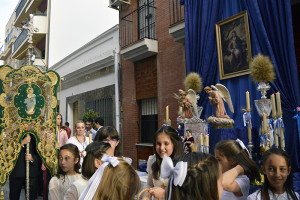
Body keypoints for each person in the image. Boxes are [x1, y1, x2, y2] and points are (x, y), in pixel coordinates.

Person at [142, 125, 184, 200]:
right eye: (158, 144)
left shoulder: (182, 165)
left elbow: (186, 194)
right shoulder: (152, 160)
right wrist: (146, 196)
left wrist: (165, 194)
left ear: (174, 144)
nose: (161, 148)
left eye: (166, 144)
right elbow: (149, 184)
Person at [9, 134, 40, 200]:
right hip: (16, 172)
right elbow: (7, 152)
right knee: (14, 197)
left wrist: (32, 158)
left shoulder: (35, 132)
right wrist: (22, 143)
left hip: (31, 173)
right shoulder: (13, 131)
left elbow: (40, 153)